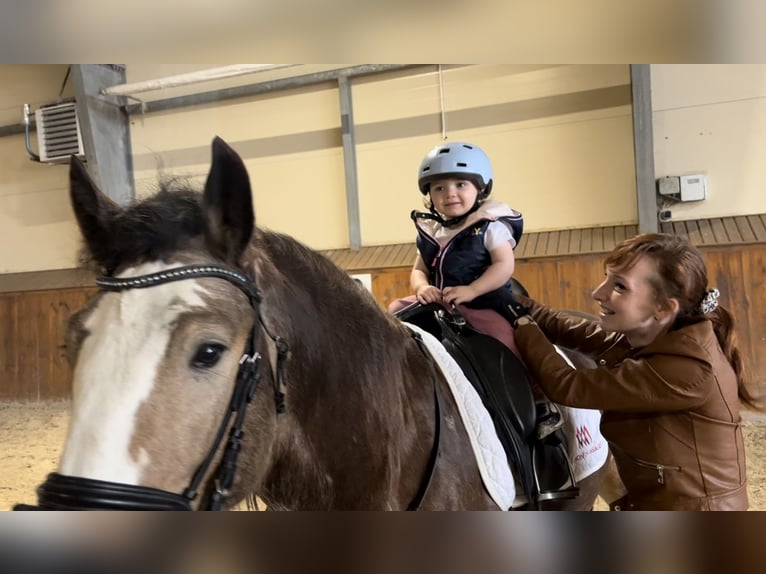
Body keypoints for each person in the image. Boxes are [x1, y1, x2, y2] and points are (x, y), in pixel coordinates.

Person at [504, 232, 762, 510]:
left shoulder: (686, 368)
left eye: (620, 287)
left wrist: (523, 325)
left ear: (663, 308)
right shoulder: (655, 335)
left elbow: (567, 385)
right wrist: (516, 302)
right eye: (606, 278)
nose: (598, 293)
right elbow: (578, 331)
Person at [388, 141, 524, 355]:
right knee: (395, 311)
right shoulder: (433, 232)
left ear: (480, 188)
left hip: (482, 302)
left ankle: (522, 385)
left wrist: (472, 290)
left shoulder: (490, 226)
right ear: (430, 195)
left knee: (505, 340)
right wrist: (423, 288)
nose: (449, 194)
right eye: (439, 188)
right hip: (442, 302)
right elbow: (419, 270)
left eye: (460, 184)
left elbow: (504, 265)